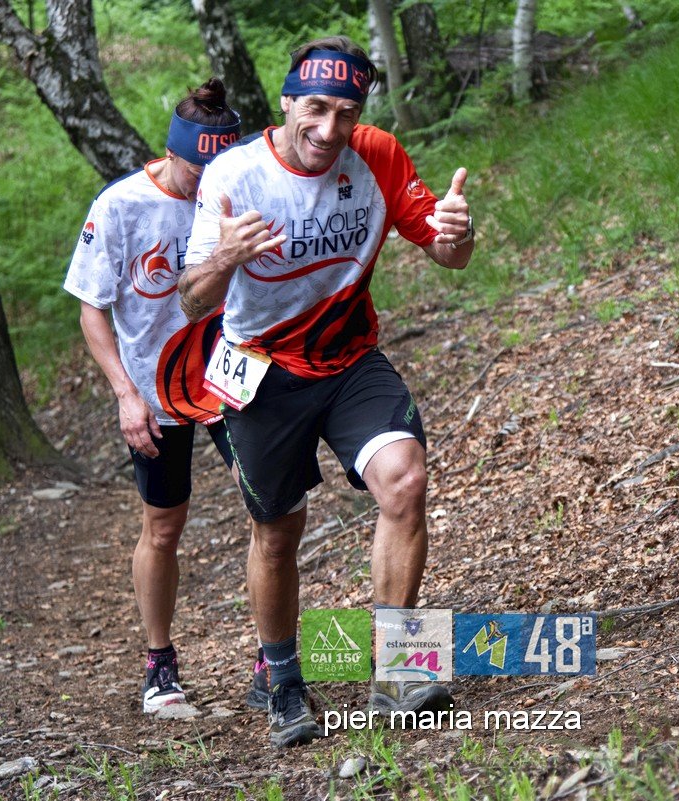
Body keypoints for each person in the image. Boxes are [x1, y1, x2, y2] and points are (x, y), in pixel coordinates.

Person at [177, 36, 474, 747]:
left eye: (346, 112)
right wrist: (225, 257)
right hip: (261, 367)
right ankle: (282, 678)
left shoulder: (377, 155)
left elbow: (447, 253)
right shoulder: (234, 174)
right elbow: (191, 299)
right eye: (314, 108)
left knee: (405, 480)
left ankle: (401, 669)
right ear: (286, 102)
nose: (329, 129)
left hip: (348, 357)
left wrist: (458, 233)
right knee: (279, 530)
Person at [63, 79, 243, 714]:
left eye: (218, 170)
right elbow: (91, 308)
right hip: (155, 388)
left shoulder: (238, 189)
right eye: (198, 170)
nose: (207, 183)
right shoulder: (120, 206)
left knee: (271, 507)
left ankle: (272, 655)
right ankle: (159, 663)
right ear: (171, 153)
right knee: (163, 526)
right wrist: (124, 394)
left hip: (230, 376)